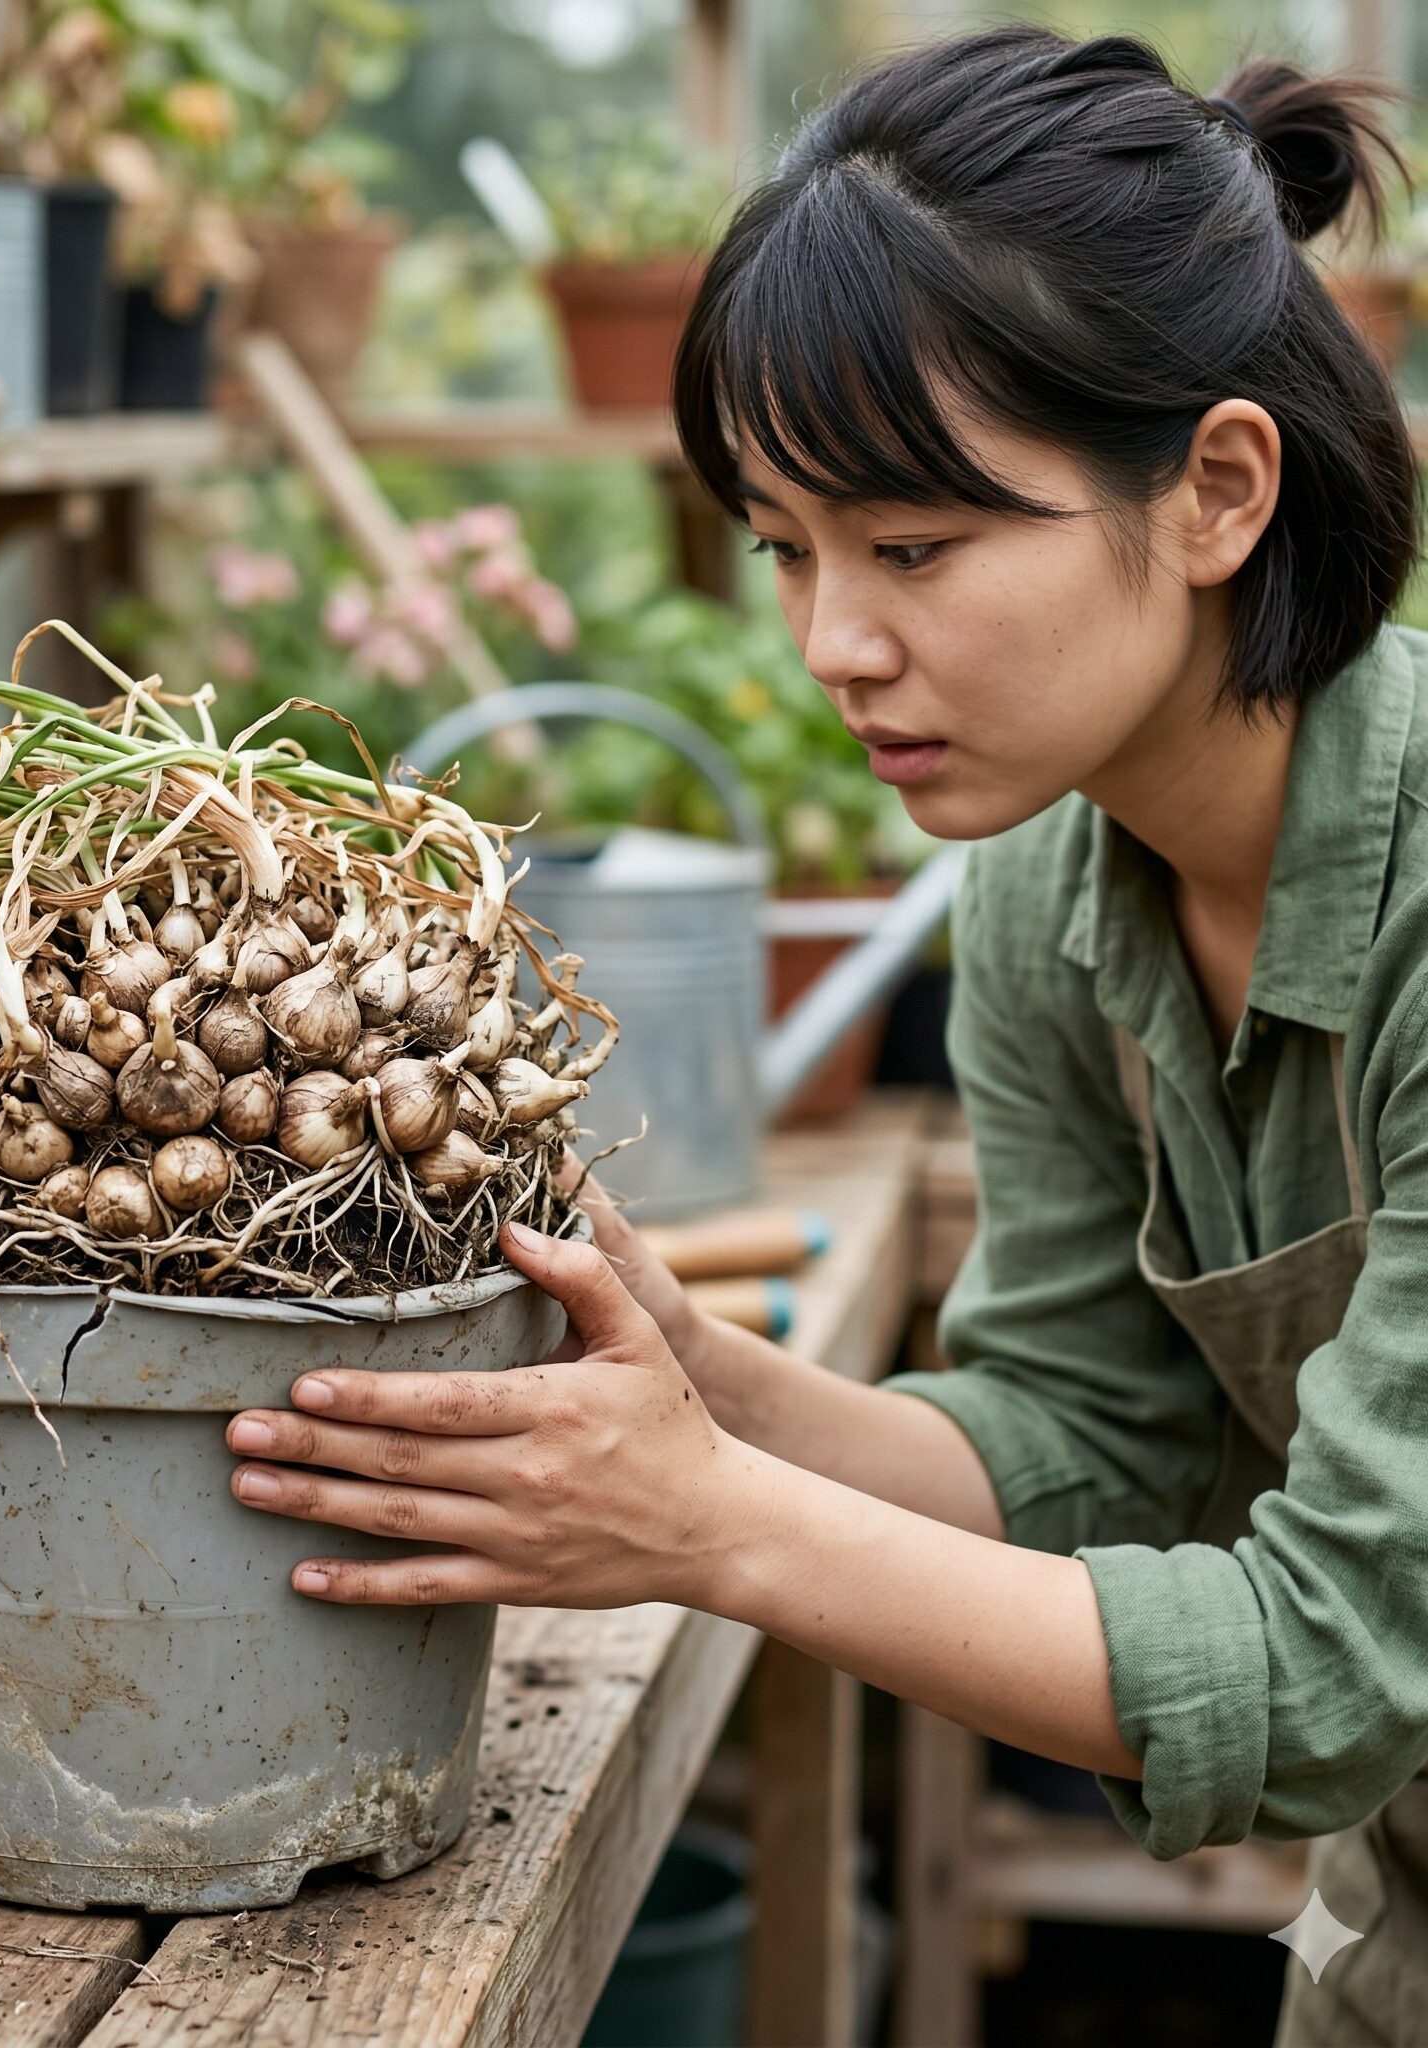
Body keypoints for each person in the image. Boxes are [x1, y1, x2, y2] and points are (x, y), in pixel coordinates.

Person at [222, 27, 1425, 2042]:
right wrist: (718, 1385)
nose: (829, 644)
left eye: (914, 547)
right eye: (784, 545)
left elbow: (1332, 1663)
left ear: (1216, 489)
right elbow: (1089, 1449)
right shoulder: (1054, 886)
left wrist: (708, 1523)